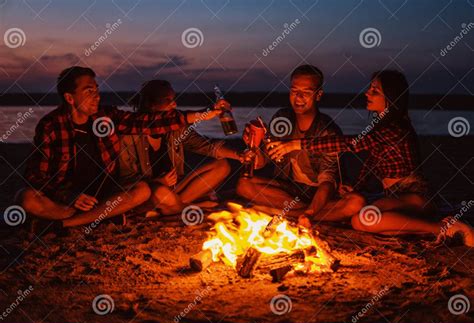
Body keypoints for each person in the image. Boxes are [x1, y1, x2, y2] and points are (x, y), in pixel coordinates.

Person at [267, 70, 474, 246]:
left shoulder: (395, 128)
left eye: (375, 91)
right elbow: (370, 163)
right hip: (395, 196)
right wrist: (355, 188)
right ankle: (425, 229)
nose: (367, 93)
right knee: (360, 216)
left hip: (416, 195)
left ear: (390, 98)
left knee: (362, 220)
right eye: (370, 88)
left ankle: (443, 228)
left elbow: (351, 144)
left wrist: (296, 144)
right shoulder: (381, 127)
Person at [19, 66, 215, 232]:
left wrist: (201, 115)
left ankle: (68, 223)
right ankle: (97, 219)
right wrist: (69, 195)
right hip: (67, 199)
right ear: (70, 98)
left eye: (96, 90)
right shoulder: (51, 125)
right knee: (26, 198)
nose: (96, 96)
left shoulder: (108, 116)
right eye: (89, 91)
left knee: (142, 190)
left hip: (106, 196)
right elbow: (35, 175)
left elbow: (146, 122)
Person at [236, 64, 365, 220]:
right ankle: (301, 214)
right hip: (288, 191)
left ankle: (292, 213)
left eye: (306, 92)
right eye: (294, 91)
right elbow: (262, 161)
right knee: (244, 184)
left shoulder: (327, 131)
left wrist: (311, 210)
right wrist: (253, 144)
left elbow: (328, 182)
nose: (298, 97)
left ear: (318, 95)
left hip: (319, 195)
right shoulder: (282, 119)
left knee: (355, 202)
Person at [119, 80, 247, 215]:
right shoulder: (129, 133)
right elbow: (126, 179)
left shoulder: (176, 129)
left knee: (222, 165)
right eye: (167, 100)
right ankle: (186, 208)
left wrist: (239, 155)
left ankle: (176, 206)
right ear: (151, 104)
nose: (174, 104)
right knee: (161, 192)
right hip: (149, 193)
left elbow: (207, 146)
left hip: (176, 189)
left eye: (173, 99)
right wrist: (157, 181)